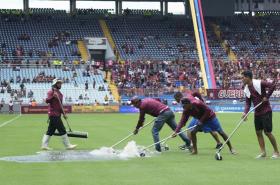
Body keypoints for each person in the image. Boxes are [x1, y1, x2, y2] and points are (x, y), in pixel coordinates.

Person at [242, 70, 279, 159]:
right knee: (258, 132)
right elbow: (248, 103)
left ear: (248, 77)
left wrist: (267, 97)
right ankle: (263, 152)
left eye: (243, 77)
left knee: (267, 132)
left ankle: (277, 152)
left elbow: (272, 85)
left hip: (266, 110)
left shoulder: (259, 83)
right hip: (257, 113)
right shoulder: (246, 88)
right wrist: (245, 113)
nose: (242, 79)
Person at [41, 79, 77, 150]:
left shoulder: (60, 94)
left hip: (57, 114)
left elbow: (60, 106)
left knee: (50, 131)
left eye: (60, 83)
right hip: (53, 114)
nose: (60, 85)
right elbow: (47, 101)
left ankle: (44, 145)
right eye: (58, 83)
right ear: (55, 84)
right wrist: (53, 97)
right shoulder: (51, 92)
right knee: (62, 129)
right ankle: (68, 145)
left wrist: (64, 114)